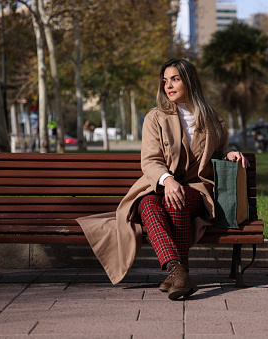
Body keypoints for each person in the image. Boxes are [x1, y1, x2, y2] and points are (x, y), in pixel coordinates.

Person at [76, 59, 248, 300]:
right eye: (165, 81)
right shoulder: (155, 118)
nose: (168, 85)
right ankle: (179, 273)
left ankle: (178, 273)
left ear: (190, 81)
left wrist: (228, 153)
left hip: (197, 191)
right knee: (148, 202)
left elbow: (215, 153)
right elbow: (150, 160)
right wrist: (167, 180)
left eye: (175, 79)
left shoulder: (213, 120)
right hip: (159, 187)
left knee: (173, 199)